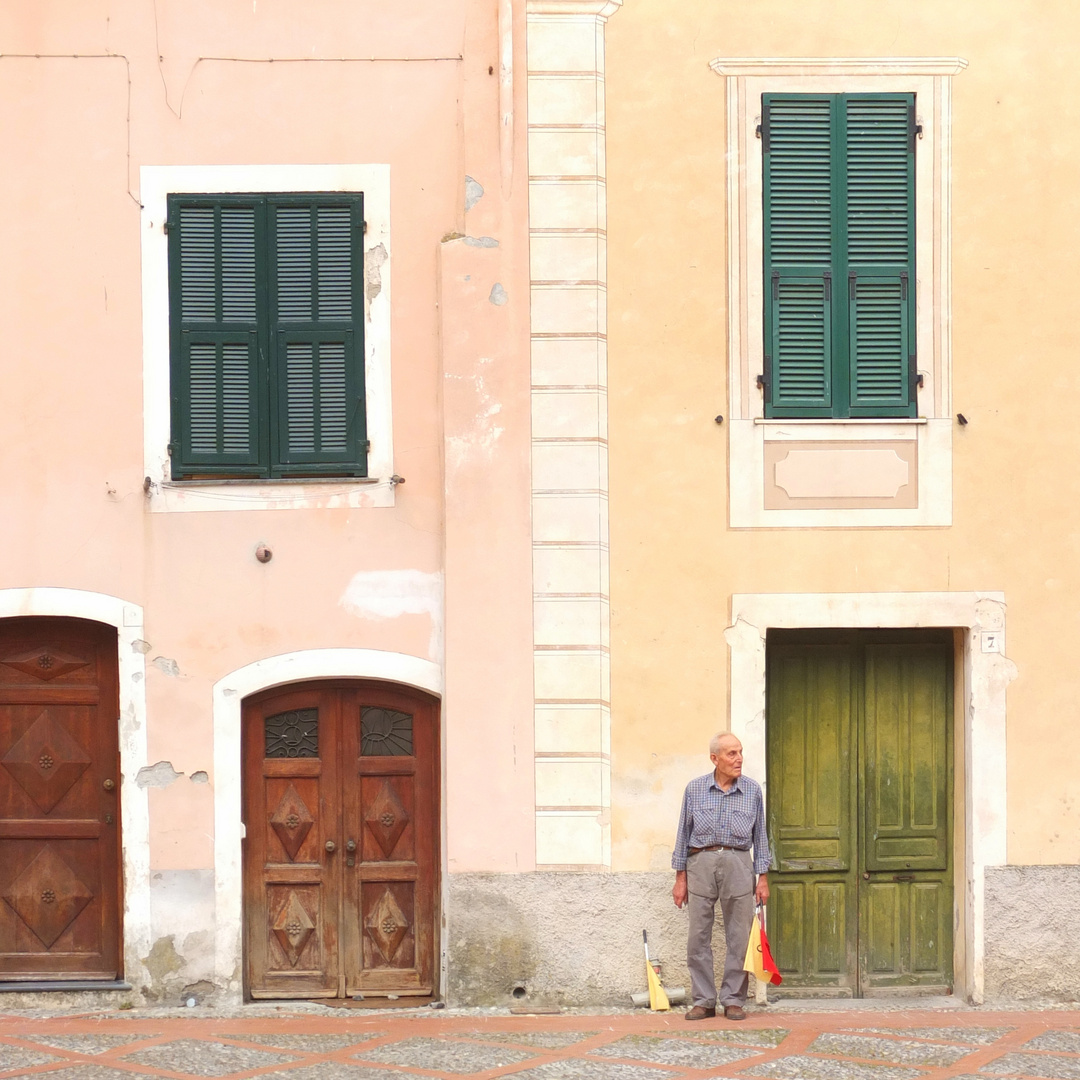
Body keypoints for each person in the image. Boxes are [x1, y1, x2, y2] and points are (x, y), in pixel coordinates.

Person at [671, 732, 771, 1021]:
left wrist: (762, 877)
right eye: (731, 754)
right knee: (697, 937)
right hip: (699, 862)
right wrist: (680, 878)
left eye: (740, 752)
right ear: (714, 758)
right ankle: (703, 1000)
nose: (738, 759)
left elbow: (760, 837)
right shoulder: (695, 789)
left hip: (739, 862)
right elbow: (683, 835)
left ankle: (733, 1000)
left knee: (739, 937)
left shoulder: (752, 791)